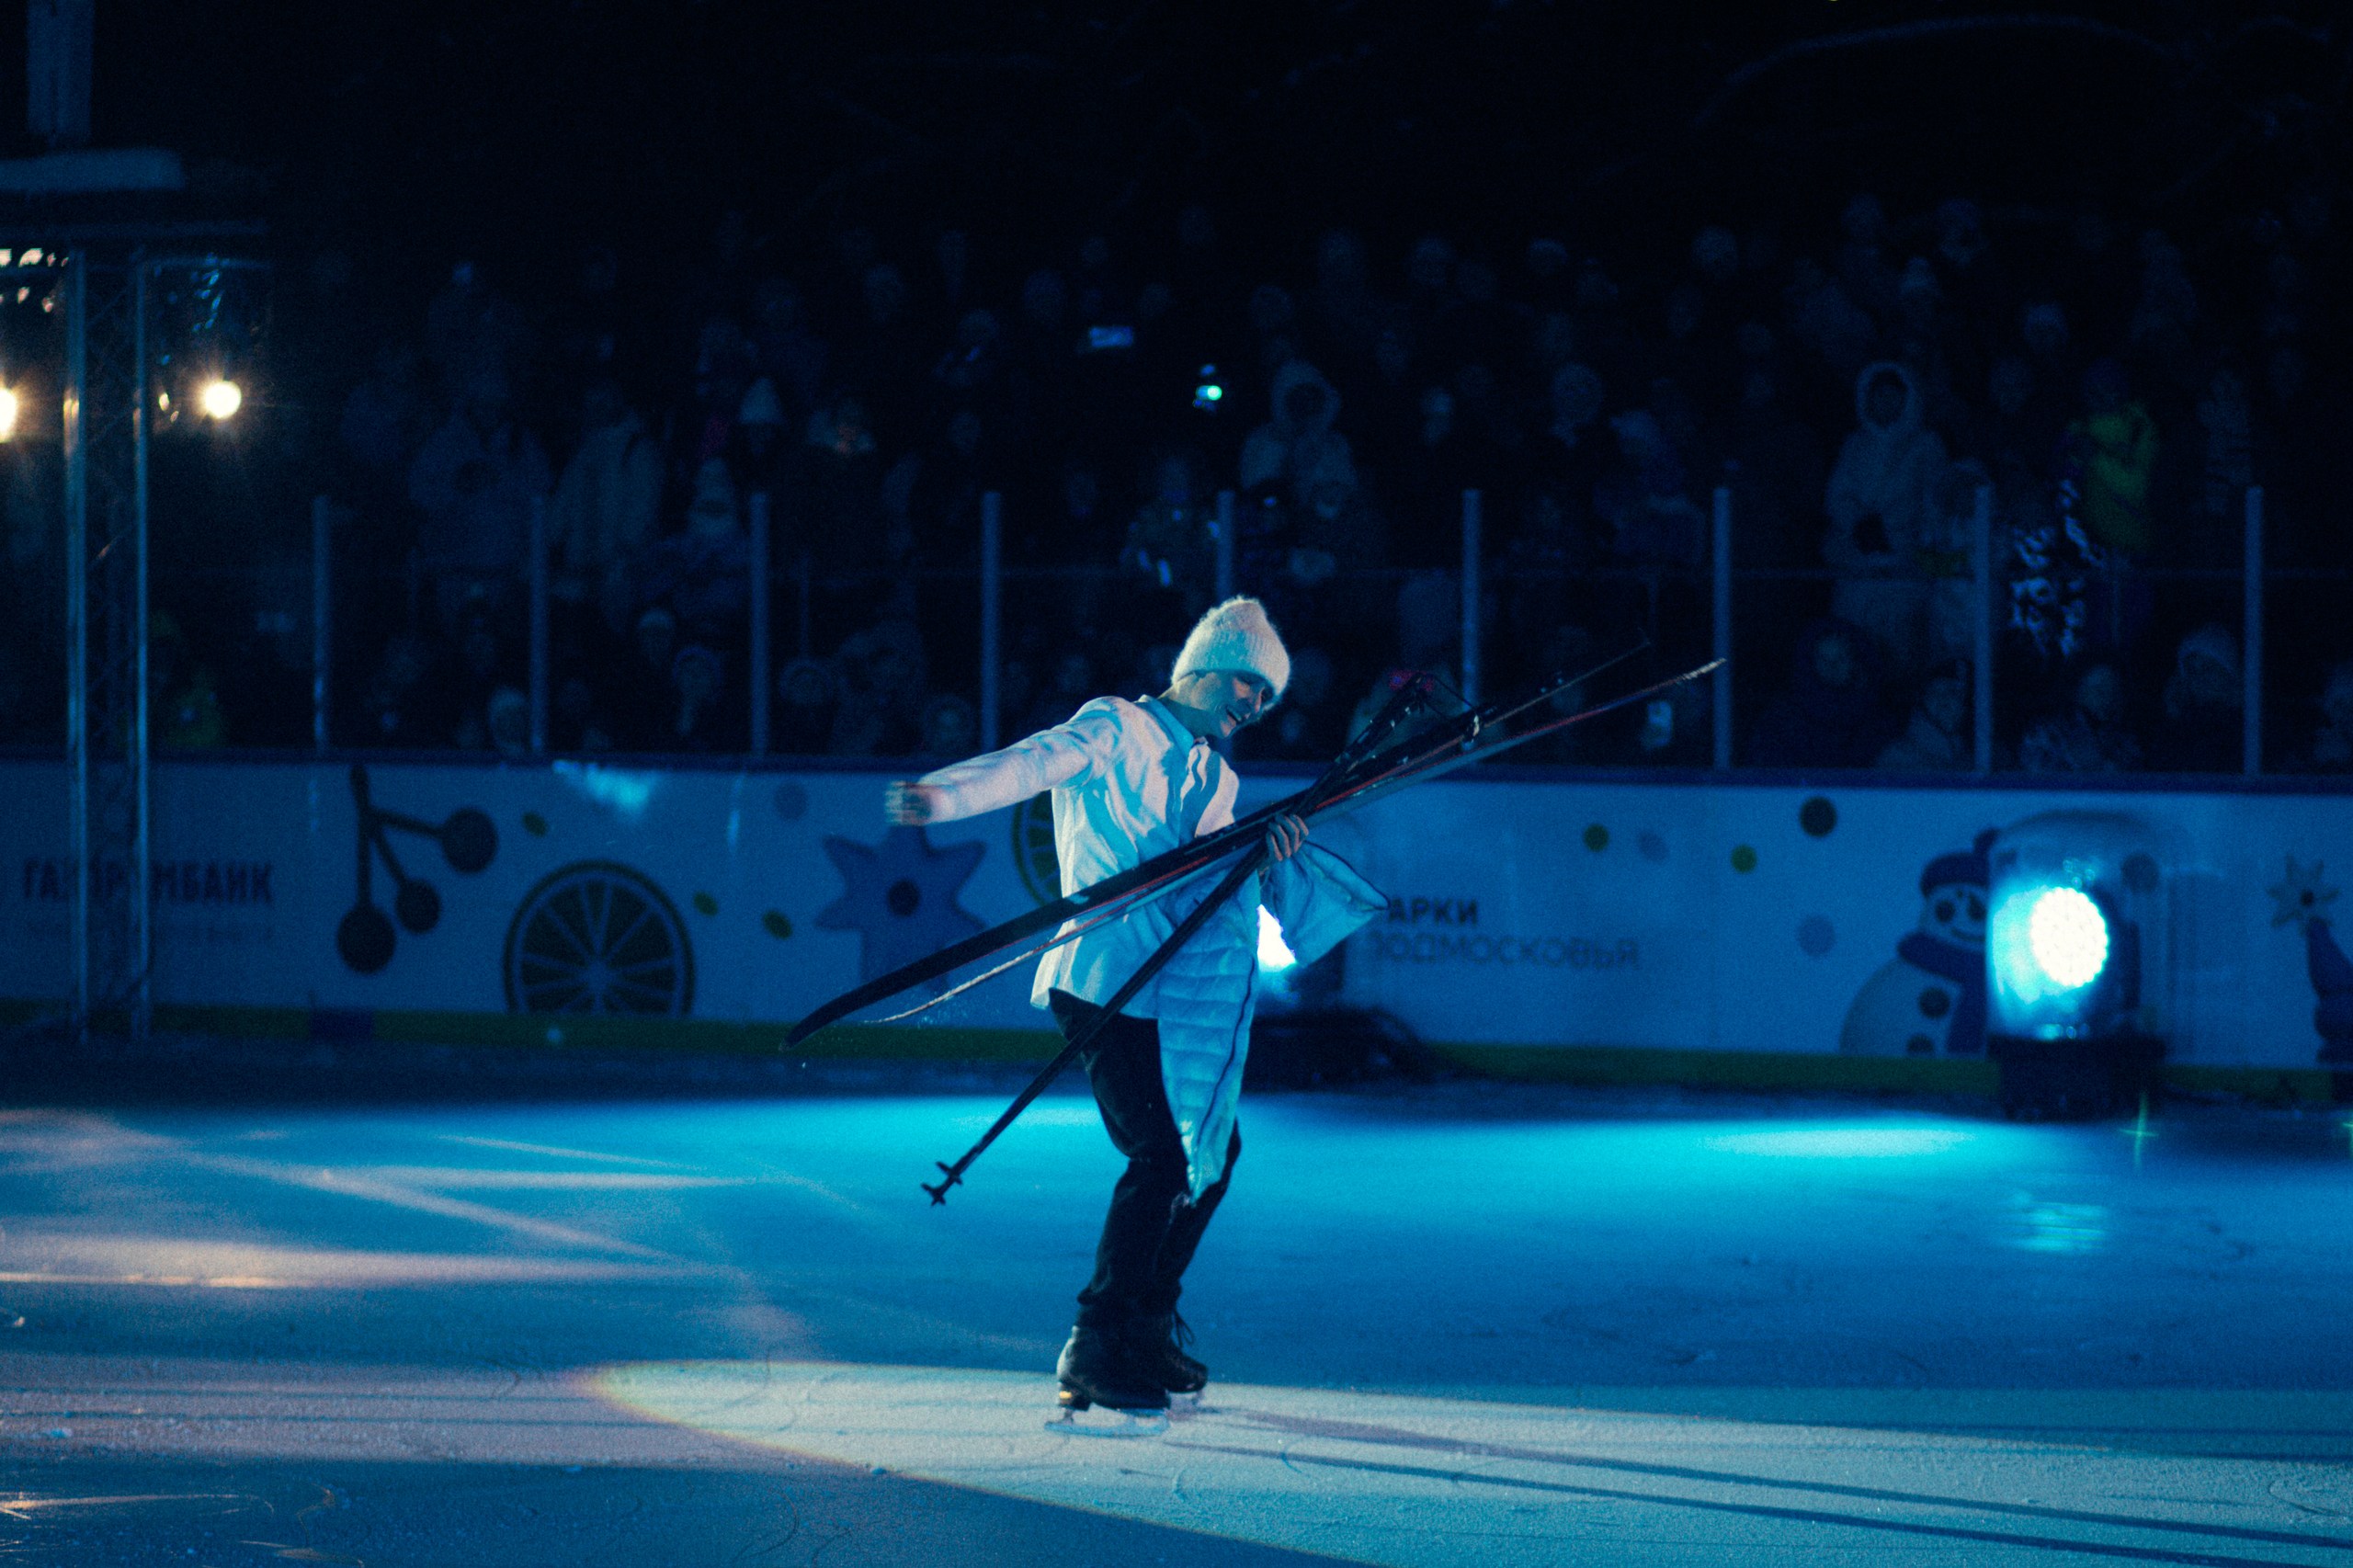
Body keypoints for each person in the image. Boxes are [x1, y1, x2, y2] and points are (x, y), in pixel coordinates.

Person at [881, 597, 1381, 1415]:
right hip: (1100, 977)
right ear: (1208, 665)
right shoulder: (1118, 727)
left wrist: (1266, 854)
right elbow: (1027, 764)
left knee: (1211, 1150)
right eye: (1251, 685)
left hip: (1169, 988)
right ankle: (1095, 1339)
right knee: (1161, 1154)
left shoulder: (1217, 778)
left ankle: (1144, 1324)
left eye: (1268, 698)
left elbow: (1209, 876)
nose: (1256, 706)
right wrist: (938, 798)